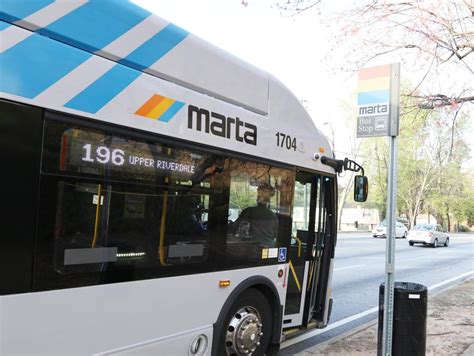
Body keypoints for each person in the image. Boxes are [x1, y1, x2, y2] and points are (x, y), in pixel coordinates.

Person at [229, 183, 278, 247]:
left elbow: (233, 228)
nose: (257, 197)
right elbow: (275, 235)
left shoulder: (249, 211)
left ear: (258, 198)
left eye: (258, 195)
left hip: (254, 249)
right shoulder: (273, 216)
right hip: (269, 248)